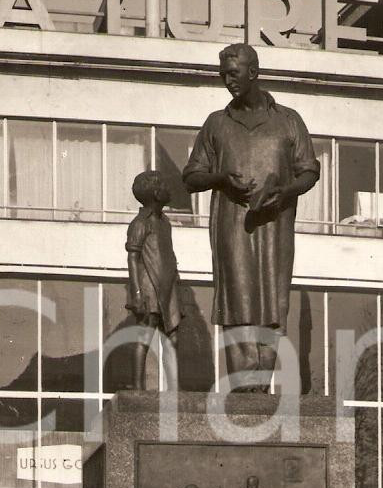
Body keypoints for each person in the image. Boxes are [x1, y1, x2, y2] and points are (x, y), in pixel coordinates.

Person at [183, 44, 319, 391]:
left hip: (275, 223)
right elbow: (191, 176)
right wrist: (219, 178)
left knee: (273, 298)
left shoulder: (289, 120)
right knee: (237, 296)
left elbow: (309, 171)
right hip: (232, 224)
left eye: (233, 73)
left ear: (253, 73)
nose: (227, 81)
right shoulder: (216, 123)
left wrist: (286, 191)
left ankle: (261, 382)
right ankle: (243, 382)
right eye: (222, 74)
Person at [125, 170, 182, 389]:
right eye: (165, 186)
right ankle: (138, 388)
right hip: (149, 286)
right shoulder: (140, 222)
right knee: (144, 336)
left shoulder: (164, 222)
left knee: (173, 338)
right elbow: (133, 257)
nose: (170, 190)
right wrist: (137, 293)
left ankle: (174, 389)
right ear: (157, 193)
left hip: (168, 289)